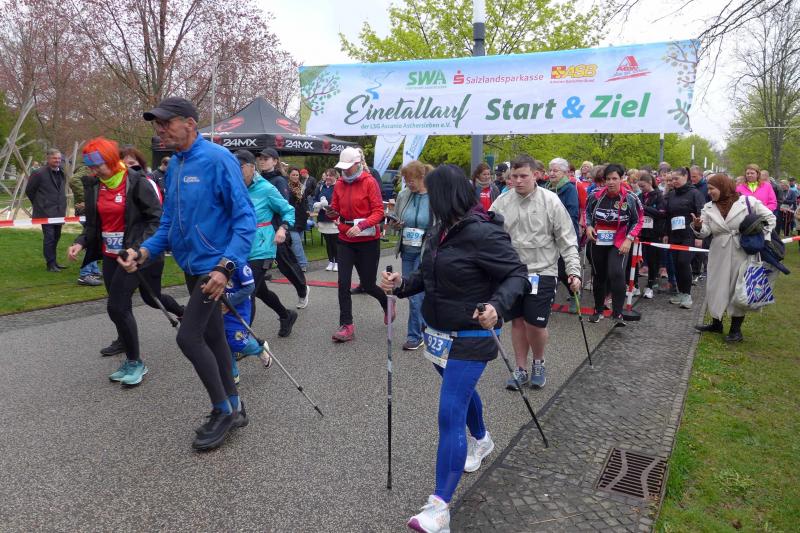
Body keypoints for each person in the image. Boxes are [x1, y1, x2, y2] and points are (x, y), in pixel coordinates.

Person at [380, 164, 529, 533]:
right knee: (460, 394)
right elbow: (428, 275)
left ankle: (439, 509)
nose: (427, 200)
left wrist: (497, 306)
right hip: (438, 333)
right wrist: (401, 284)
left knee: (449, 412)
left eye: (432, 194)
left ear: (446, 195)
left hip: (472, 334)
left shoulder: (483, 232)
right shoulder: (439, 230)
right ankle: (483, 439)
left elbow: (517, 274)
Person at [120, 97, 256, 451]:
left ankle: (222, 410)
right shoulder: (176, 165)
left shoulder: (218, 159)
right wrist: (144, 252)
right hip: (192, 267)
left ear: (190, 124)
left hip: (215, 268)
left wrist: (226, 267)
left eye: (166, 123)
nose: (160, 130)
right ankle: (235, 406)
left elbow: (245, 219)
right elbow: (168, 223)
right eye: (157, 124)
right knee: (213, 338)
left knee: (188, 337)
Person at [67, 137, 184, 384]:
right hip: (111, 257)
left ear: (111, 160)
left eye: (97, 165)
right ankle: (129, 348)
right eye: (90, 166)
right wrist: (81, 241)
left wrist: (138, 249)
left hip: (138, 255)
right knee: (127, 305)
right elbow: (94, 224)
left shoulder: (138, 182)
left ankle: (135, 362)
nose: (93, 171)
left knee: (123, 305)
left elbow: (156, 221)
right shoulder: (94, 184)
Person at [490, 154, 582, 390]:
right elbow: (488, 235)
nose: (518, 181)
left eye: (523, 176)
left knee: (535, 324)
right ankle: (520, 369)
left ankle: (538, 362)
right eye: (514, 176)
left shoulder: (550, 201)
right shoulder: (502, 202)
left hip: (543, 271)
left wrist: (574, 271)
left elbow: (567, 239)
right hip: (512, 273)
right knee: (517, 322)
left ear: (535, 175)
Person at [692, 174, 776, 342]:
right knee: (716, 287)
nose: (709, 192)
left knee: (738, 288)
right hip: (719, 251)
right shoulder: (708, 207)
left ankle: (736, 331)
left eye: (712, 189)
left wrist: (760, 236)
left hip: (742, 250)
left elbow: (770, 218)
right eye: (708, 189)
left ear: (723, 187)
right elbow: (706, 232)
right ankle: (716, 323)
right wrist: (698, 226)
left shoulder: (747, 202)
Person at [325, 146, 389, 342]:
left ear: (358, 163)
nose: (345, 170)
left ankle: (387, 304)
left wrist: (361, 225)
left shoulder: (369, 182)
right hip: (345, 239)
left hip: (368, 240)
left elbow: (379, 212)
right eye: (342, 167)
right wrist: (331, 213)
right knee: (343, 283)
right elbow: (336, 209)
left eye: (348, 166)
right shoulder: (339, 184)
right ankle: (347, 325)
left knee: (368, 285)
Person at [236, 150, 298, 338]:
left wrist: (282, 229)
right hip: (241, 248)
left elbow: (288, 210)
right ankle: (286, 315)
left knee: (247, 292)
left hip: (263, 247)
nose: (235, 171)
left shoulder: (266, 188)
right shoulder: (234, 186)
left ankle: (242, 339)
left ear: (250, 167)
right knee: (260, 290)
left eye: (239, 167)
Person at [585, 164, 643, 325]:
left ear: (622, 178)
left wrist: (629, 238)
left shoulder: (631, 197)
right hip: (598, 239)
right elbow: (587, 212)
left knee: (617, 273)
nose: (611, 182)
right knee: (599, 275)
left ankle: (617, 313)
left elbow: (638, 220)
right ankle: (598, 310)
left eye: (614, 179)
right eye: (608, 179)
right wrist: (588, 226)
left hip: (620, 240)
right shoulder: (595, 195)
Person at [257, 147, 310, 308]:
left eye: (266, 159)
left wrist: (282, 228)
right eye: (260, 159)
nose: (262, 161)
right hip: (260, 231)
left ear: (275, 161)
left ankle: (302, 289)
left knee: (286, 265)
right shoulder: (257, 179)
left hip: (277, 229)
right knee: (255, 266)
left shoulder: (279, 181)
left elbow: (284, 206)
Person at [391, 160, 432, 351]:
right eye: (406, 180)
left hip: (425, 251)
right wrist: (396, 224)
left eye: (411, 180)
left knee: (416, 295)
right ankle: (424, 325)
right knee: (410, 291)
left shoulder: (434, 196)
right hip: (407, 250)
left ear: (422, 177)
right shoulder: (403, 195)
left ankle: (414, 335)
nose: (408, 184)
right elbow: (396, 220)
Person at [662, 166, 706, 309]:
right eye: (672, 179)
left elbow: (701, 214)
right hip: (674, 234)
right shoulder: (672, 195)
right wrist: (666, 234)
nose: (674, 181)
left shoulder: (695, 193)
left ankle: (687, 295)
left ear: (685, 177)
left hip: (689, 234)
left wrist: (699, 235)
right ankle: (681, 292)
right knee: (676, 263)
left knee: (683, 262)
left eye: (677, 178)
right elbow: (668, 216)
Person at [222, 262, 271, 384]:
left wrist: (228, 302)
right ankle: (232, 374)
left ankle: (260, 348)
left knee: (237, 342)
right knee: (223, 343)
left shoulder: (239, 263)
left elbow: (249, 287)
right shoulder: (212, 260)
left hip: (238, 311)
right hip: (219, 310)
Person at [547, 157, 581, 314]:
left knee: (562, 271)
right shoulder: (546, 188)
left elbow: (572, 214)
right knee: (549, 269)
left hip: (564, 235)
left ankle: (575, 294)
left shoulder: (569, 189)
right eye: (550, 170)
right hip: (547, 236)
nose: (552, 173)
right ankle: (547, 300)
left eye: (555, 170)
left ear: (565, 172)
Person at [26, 148, 68, 272]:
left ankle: (54, 261)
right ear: (48, 159)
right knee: (49, 237)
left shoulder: (62, 172)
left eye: (59, 158)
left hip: (59, 211)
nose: (57, 160)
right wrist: (39, 203)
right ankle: (50, 264)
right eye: (55, 158)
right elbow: (29, 190)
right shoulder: (38, 173)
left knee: (56, 236)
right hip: (45, 212)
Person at [68, 165, 103, 286]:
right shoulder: (87, 168)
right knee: (91, 239)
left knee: (94, 239)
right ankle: (85, 274)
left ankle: (93, 271)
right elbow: (74, 180)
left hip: (91, 210)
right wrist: (88, 199)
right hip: (87, 211)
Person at [637, 171, 665, 299]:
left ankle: (650, 285)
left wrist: (644, 208)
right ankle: (634, 286)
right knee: (638, 259)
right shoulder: (640, 196)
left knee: (653, 261)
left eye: (643, 186)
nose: (641, 189)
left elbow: (661, 213)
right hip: (641, 232)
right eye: (639, 187)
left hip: (654, 233)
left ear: (650, 183)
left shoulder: (659, 195)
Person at [313, 169, 339, 271]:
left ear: (335, 177)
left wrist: (330, 206)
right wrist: (318, 205)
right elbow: (315, 199)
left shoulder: (338, 186)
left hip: (334, 219)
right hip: (323, 218)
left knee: (335, 242)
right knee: (328, 242)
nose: (328, 177)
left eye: (330, 175)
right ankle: (331, 261)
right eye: (327, 175)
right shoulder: (321, 186)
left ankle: (337, 262)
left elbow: (341, 201)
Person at [286, 166, 312, 272]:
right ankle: (302, 264)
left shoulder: (302, 187)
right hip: (291, 218)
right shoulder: (286, 187)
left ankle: (293, 263)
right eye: (293, 175)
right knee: (296, 242)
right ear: (289, 175)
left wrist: (307, 211)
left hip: (301, 218)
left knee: (296, 243)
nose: (295, 177)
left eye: (297, 175)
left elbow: (305, 201)